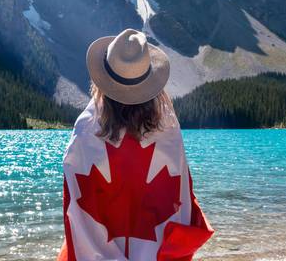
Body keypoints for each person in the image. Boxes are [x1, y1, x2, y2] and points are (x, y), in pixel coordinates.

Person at [58, 29, 213, 261]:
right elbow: (181, 196)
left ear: (102, 80)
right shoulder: (167, 128)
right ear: (149, 83)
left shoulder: (86, 130)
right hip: (156, 251)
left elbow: (76, 209)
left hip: (96, 250)